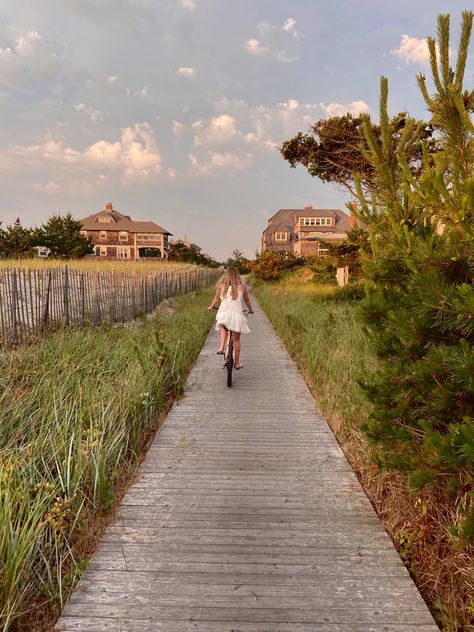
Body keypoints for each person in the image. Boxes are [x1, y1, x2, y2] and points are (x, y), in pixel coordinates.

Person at [208, 266, 253, 370]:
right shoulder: (242, 287)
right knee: (236, 340)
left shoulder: (220, 286)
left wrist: (211, 306)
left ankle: (221, 347)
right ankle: (237, 363)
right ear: (237, 276)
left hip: (223, 314)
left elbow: (216, 298)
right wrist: (250, 309)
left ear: (226, 275)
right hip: (237, 316)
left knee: (223, 326)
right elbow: (247, 301)